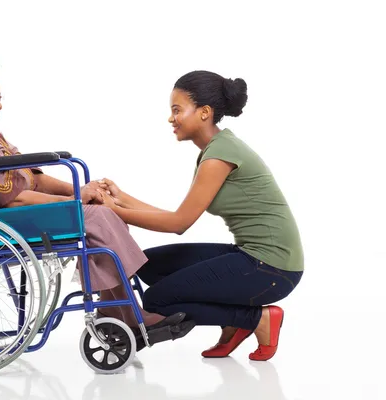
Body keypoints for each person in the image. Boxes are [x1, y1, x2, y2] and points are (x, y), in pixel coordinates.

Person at [0, 58, 193, 347]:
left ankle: (114, 306)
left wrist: (79, 190)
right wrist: (74, 200)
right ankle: (127, 311)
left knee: (101, 213)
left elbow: (33, 178)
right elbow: (13, 195)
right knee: (96, 218)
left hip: (11, 213)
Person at [96, 70, 304, 361]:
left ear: (204, 112)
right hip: (253, 257)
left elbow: (179, 224)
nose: (171, 118)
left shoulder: (220, 155)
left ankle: (256, 319)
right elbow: (177, 215)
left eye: (177, 110)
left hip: (272, 268)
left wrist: (113, 209)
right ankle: (234, 319)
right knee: (147, 265)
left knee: (156, 300)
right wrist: (121, 198)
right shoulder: (215, 149)